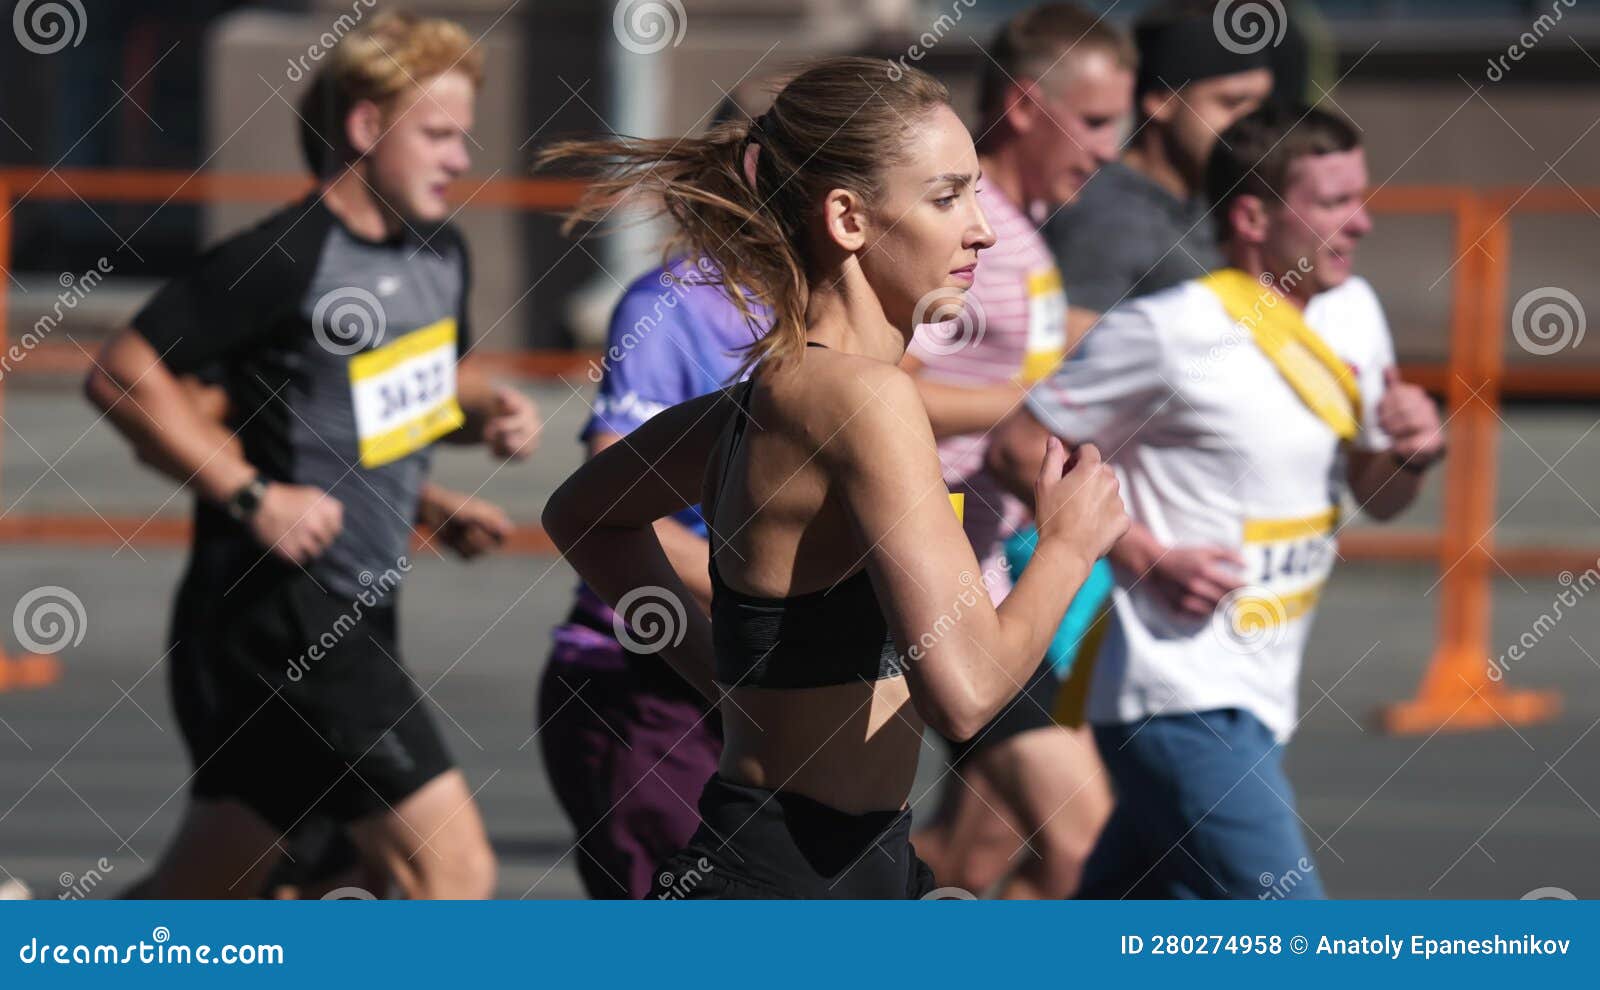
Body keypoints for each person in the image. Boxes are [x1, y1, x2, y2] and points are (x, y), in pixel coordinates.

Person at [539, 55, 1128, 899]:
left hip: (844, 857)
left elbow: (584, 519)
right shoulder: (864, 400)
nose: (983, 229)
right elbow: (963, 695)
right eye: (946, 196)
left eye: (975, 193)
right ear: (849, 219)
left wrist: (723, 679)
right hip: (790, 876)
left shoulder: (768, 396)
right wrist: (1069, 546)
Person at [85, 11, 540, 899]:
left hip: (362, 600)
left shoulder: (440, 254)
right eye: (439, 134)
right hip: (278, 605)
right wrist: (254, 495)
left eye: (464, 138)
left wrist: (453, 461)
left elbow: (364, 414)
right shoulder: (284, 258)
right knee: (451, 872)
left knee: (225, 874)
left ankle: (44, 956)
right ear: (367, 127)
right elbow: (122, 372)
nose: (459, 159)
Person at [989, 104, 1446, 898]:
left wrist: (1413, 451)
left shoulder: (1355, 313)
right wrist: (1140, 553)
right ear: (1252, 216)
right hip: (1176, 699)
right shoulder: (1172, 330)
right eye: (1335, 203)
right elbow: (1019, 446)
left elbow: (1381, 498)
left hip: (1265, 693)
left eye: (1361, 198)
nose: (1363, 222)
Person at [900, 4, 1131, 899]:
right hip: (941, 577)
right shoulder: (969, 238)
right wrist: (1025, 416)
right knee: (1082, 843)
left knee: (977, 857)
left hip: (992, 568)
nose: (1110, 149)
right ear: (1028, 105)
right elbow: (877, 390)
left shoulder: (1018, 236)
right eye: (1099, 120)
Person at [1046, 0, 1273, 328]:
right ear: (1162, 101)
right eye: (1231, 102)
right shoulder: (1106, 216)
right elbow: (1075, 360)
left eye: (1260, 104)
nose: (1252, 124)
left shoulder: (1217, 198)